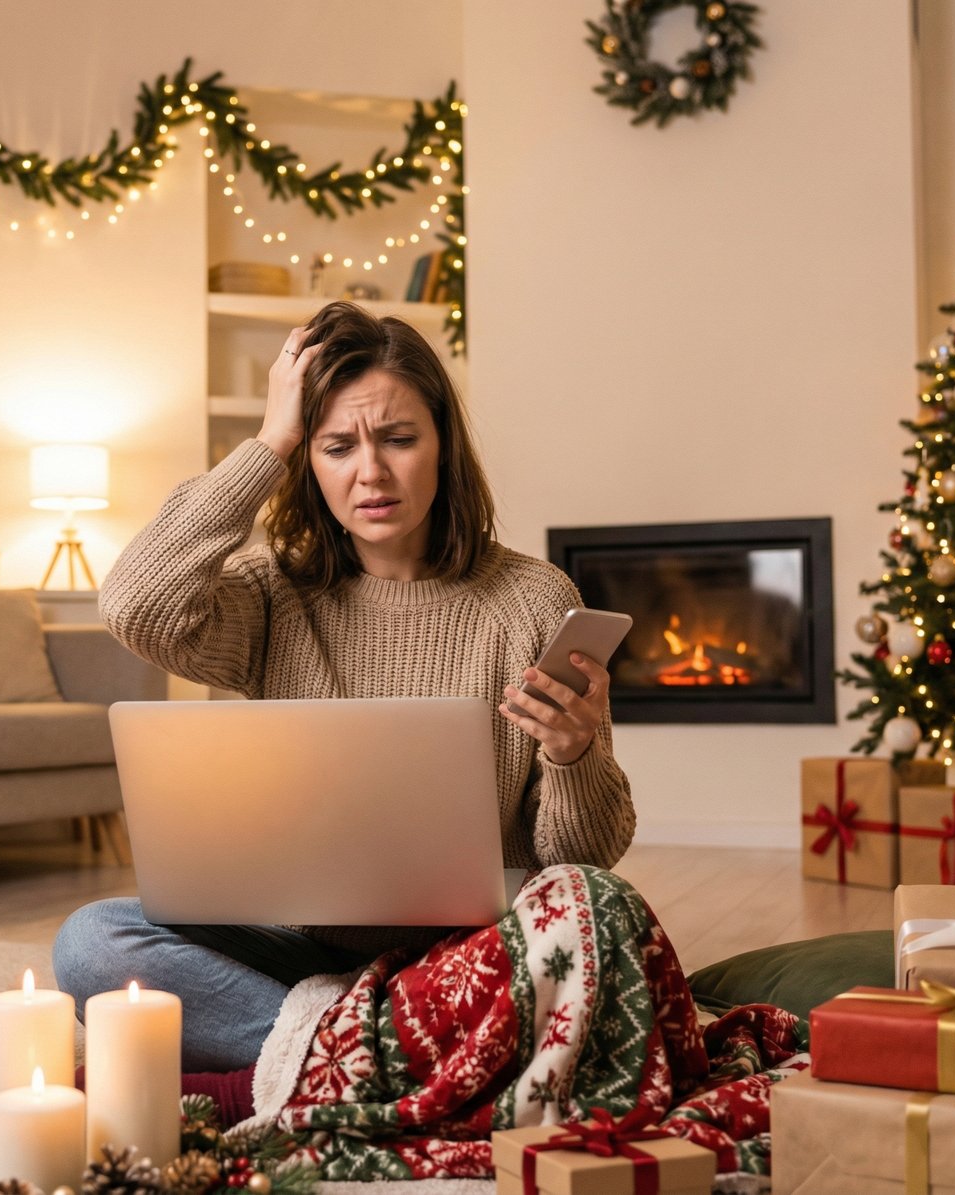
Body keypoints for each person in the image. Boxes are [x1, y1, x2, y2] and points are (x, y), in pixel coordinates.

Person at [53, 301, 634, 1081]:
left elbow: (583, 860)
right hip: (303, 952)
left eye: (398, 438)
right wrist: (268, 441)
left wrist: (572, 754)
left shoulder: (533, 600)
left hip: (473, 959)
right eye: (336, 445)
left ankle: (330, 1058)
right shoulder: (273, 592)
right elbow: (135, 604)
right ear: (309, 459)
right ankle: (393, 1057)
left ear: (443, 445)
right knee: (91, 942)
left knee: (591, 926)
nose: (371, 472)